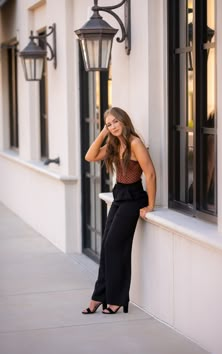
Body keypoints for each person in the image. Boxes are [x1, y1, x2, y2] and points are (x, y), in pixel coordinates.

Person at [82, 107, 156, 315]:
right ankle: (99, 296)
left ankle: (117, 299)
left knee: (115, 246)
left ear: (124, 121)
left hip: (133, 198)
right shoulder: (114, 145)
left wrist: (150, 205)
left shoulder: (135, 143)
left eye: (115, 122)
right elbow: (90, 156)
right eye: (108, 124)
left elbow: (150, 174)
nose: (113, 126)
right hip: (119, 197)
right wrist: (104, 133)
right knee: (107, 246)